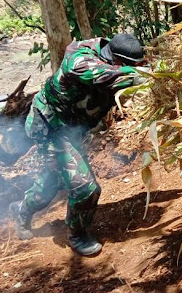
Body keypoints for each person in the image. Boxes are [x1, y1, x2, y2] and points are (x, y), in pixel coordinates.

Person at [9, 34, 146, 256]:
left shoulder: (118, 64)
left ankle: (21, 210)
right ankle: (77, 234)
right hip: (49, 127)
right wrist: (135, 75)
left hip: (70, 129)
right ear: (116, 60)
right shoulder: (80, 55)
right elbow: (90, 71)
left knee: (53, 180)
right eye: (127, 66)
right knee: (85, 188)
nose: (131, 70)